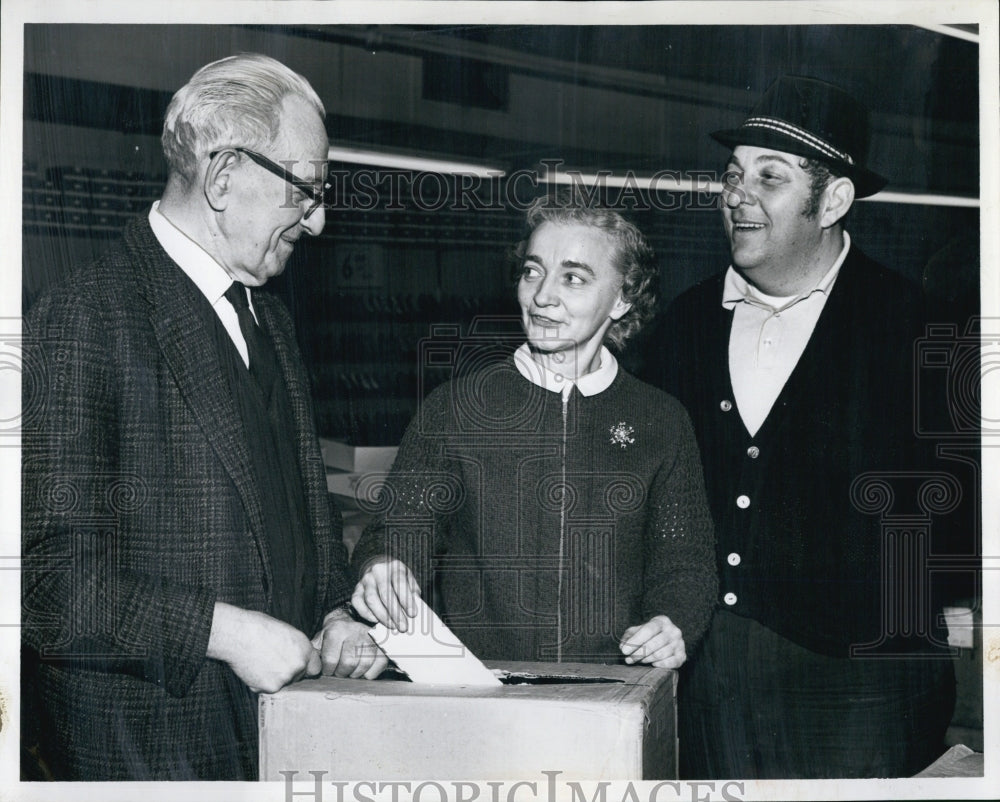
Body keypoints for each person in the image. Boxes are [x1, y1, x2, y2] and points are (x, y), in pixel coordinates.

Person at [21, 53, 385, 782]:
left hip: (270, 738)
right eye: (305, 190)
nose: (318, 221)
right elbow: (45, 587)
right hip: (148, 755)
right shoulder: (86, 316)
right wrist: (226, 632)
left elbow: (305, 516)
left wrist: (338, 613)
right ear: (223, 177)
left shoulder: (271, 321)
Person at [641, 75, 956, 778]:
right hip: (709, 674)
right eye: (732, 174)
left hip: (861, 687)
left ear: (834, 200)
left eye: (770, 177)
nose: (736, 193)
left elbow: (960, 511)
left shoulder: (921, 330)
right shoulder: (683, 328)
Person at [350, 193, 718, 669]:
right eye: (532, 271)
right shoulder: (458, 408)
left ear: (623, 297)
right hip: (480, 690)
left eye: (573, 277)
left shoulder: (661, 420)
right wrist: (385, 566)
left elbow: (684, 562)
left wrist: (673, 622)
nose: (543, 296)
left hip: (610, 692)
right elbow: (400, 529)